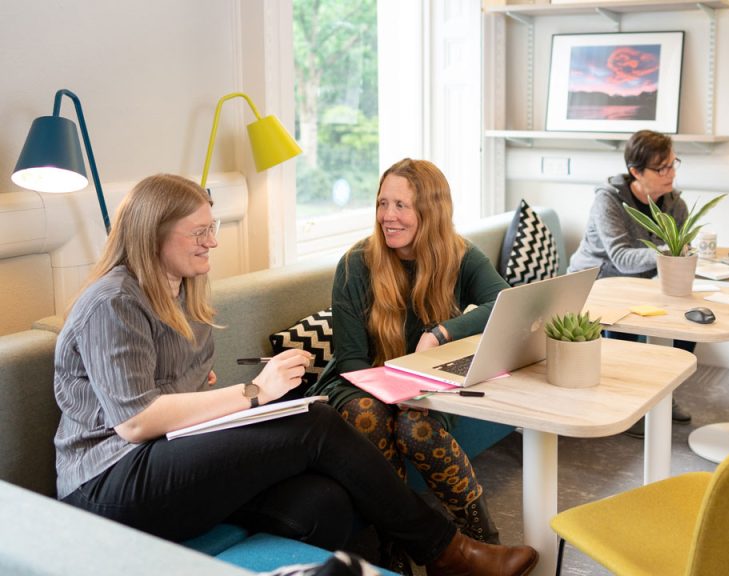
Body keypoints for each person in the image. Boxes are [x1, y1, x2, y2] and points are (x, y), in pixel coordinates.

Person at [53, 173, 538, 576]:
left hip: (170, 458)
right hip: (108, 482)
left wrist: (226, 395)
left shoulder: (182, 294)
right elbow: (137, 421)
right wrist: (252, 393)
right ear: (152, 234)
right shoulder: (113, 302)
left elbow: (173, 404)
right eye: (199, 232)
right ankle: (449, 552)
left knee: (325, 502)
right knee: (316, 426)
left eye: (212, 226)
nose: (213, 241)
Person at [305, 159, 509, 548]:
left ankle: (481, 538)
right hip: (358, 384)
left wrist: (441, 332)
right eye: (383, 204)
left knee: (416, 429)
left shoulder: (460, 256)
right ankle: (395, 544)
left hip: (427, 381)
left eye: (401, 205)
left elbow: (503, 301)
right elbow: (351, 361)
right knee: (371, 417)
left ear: (429, 212)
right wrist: (395, 395)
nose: (388, 216)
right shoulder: (355, 264)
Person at [566, 129, 696, 436]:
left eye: (673, 164)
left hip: (642, 286)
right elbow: (622, 258)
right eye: (661, 168)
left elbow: (679, 253)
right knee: (625, 329)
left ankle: (663, 392)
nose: (671, 173)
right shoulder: (608, 201)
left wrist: (682, 255)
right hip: (595, 284)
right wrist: (671, 253)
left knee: (689, 321)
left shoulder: (675, 204)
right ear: (636, 172)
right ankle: (628, 405)